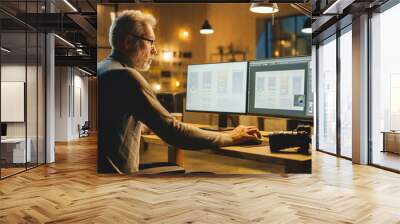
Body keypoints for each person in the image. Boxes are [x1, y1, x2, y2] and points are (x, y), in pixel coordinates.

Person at [97, 10, 261, 174]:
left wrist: (143, 125)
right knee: (206, 176)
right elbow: (174, 132)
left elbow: (113, 124)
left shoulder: (102, 68)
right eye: (150, 42)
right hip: (120, 181)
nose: (154, 51)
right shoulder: (125, 76)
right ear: (127, 42)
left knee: (175, 168)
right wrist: (230, 137)